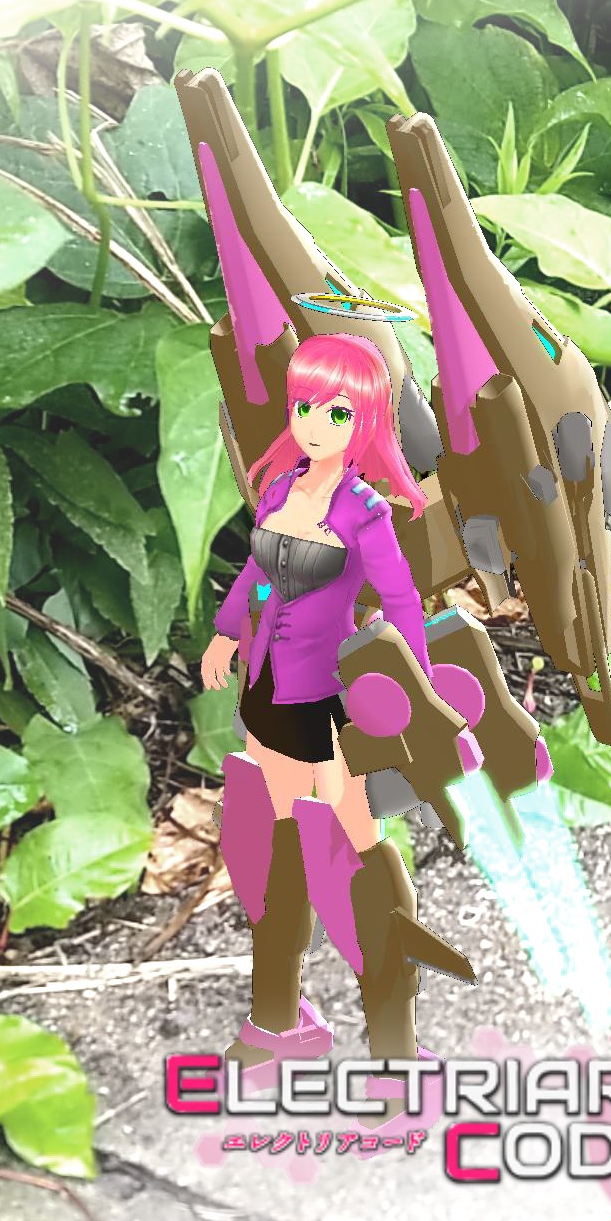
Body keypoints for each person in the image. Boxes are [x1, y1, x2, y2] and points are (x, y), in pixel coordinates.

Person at [200, 333, 469, 1129]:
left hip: (327, 701)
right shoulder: (282, 486)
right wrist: (224, 632)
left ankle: (393, 1052)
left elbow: (403, 601)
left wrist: (415, 688)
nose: (316, 424)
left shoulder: (364, 510)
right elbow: (256, 572)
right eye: (305, 406)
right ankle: (275, 1024)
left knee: (355, 852)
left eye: (338, 412)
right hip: (267, 693)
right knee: (271, 845)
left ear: (367, 421)